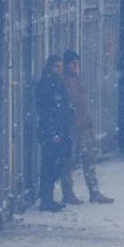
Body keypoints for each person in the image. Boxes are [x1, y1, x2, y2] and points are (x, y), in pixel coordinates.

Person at [59, 50, 114, 204]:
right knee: (69, 161)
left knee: (88, 159)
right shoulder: (63, 82)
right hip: (70, 128)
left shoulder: (76, 80)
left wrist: (89, 124)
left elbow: (83, 105)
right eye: (73, 63)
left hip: (82, 127)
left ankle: (93, 191)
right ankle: (68, 192)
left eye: (77, 63)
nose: (75, 66)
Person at [34, 55, 75, 212]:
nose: (59, 69)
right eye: (56, 67)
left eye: (60, 66)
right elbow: (47, 111)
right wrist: (53, 132)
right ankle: (46, 198)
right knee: (49, 165)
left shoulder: (58, 83)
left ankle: (48, 197)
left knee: (55, 164)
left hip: (59, 129)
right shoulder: (46, 85)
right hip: (51, 131)